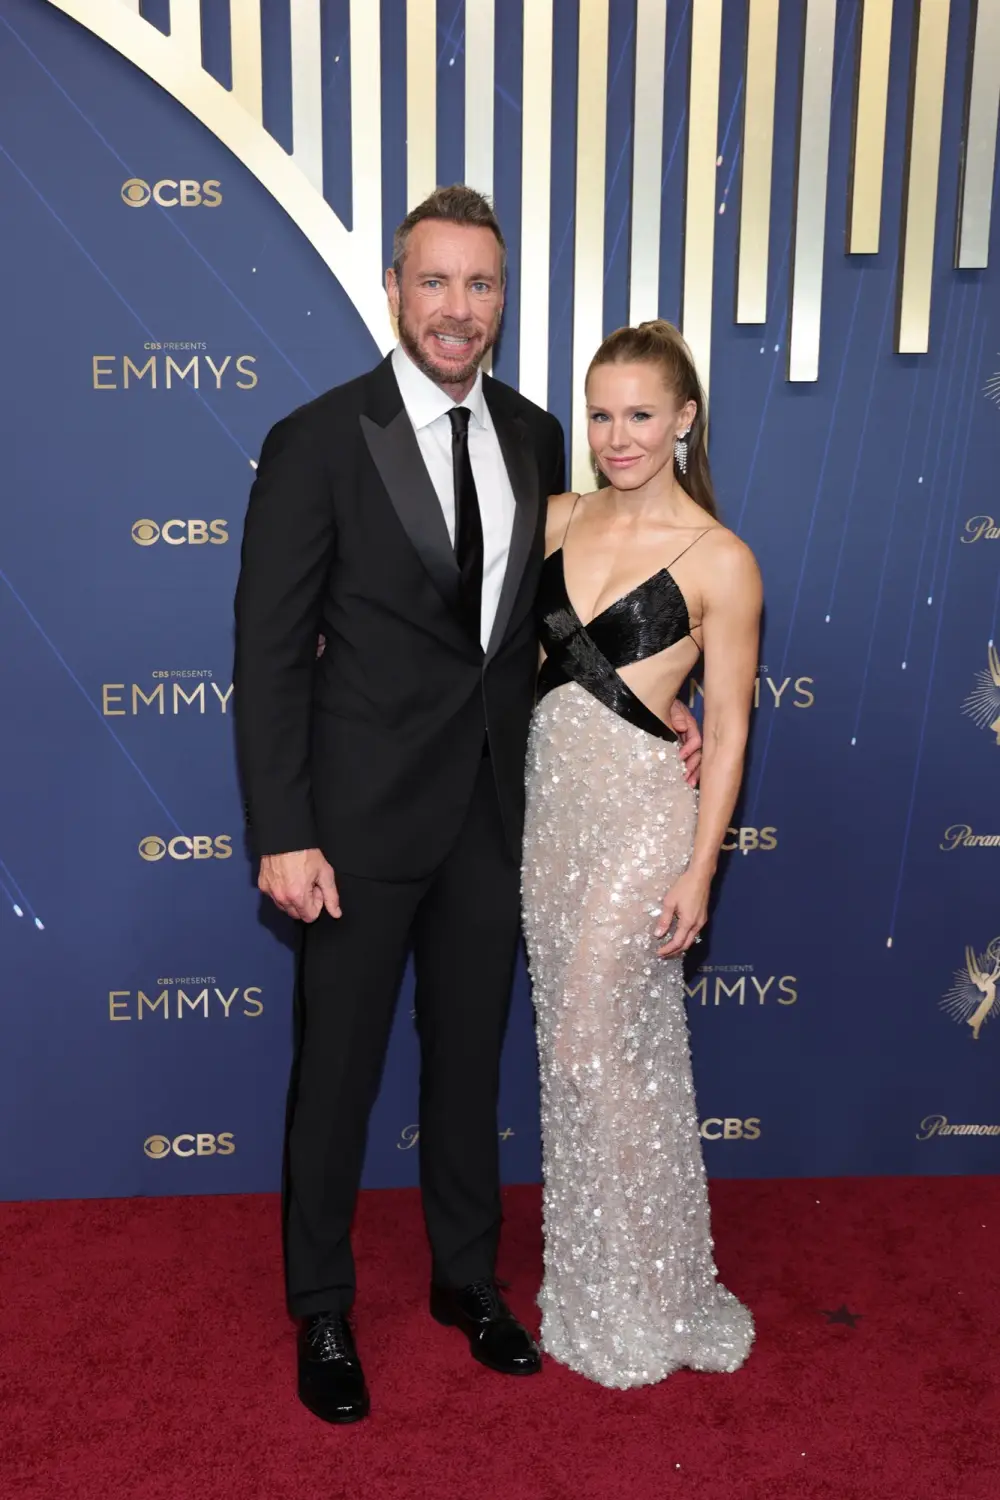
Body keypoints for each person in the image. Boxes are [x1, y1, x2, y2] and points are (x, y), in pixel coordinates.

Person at [233, 187, 703, 1424]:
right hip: (351, 824)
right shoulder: (318, 439)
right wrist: (283, 827)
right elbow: (271, 652)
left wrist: (653, 708)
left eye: (480, 286)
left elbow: (544, 626)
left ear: (503, 302)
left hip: (501, 816)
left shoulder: (545, 438)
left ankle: (464, 1280)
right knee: (334, 1073)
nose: (458, 309)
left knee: (468, 1068)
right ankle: (323, 1306)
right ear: (395, 290)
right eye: (434, 282)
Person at [522, 319, 761, 1389]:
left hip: (638, 831)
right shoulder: (555, 519)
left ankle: (652, 1287)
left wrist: (699, 867)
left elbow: (733, 725)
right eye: (602, 413)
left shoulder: (721, 560)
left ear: (683, 419)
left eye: (640, 415)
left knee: (587, 1046)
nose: (618, 436)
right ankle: (605, 1284)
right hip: (547, 827)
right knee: (598, 1066)